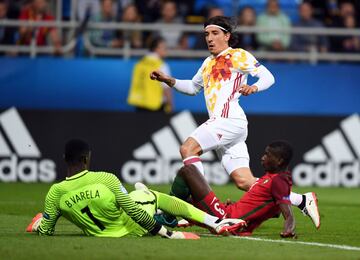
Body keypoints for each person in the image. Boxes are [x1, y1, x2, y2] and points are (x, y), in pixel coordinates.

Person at [150, 15, 320, 229]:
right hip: (228, 126)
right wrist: (169, 80)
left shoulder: (238, 56)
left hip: (229, 120)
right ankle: (302, 200)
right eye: (206, 34)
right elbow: (193, 88)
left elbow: (268, 77)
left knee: (188, 149)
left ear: (227, 35)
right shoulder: (207, 63)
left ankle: (199, 210)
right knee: (244, 181)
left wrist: (254, 87)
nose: (209, 38)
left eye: (214, 33)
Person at [26, 139, 246, 238]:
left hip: (102, 235)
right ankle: (215, 222)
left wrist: (38, 224)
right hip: (135, 229)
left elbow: (47, 231)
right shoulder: (105, 179)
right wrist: (169, 235)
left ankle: (169, 217)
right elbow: (133, 212)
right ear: (86, 158)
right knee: (146, 195)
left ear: (64, 158)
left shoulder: (55, 192)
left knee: (140, 197)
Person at [177, 140, 320, 236]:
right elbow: (273, 212)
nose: (262, 158)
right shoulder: (272, 179)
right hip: (228, 217)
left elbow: (287, 214)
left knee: (188, 171)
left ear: (279, 160)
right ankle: (172, 215)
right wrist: (237, 206)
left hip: (227, 219)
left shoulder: (278, 181)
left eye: (267, 155)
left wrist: (289, 229)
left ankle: (168, 215)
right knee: (184, 203)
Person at [127, 37, 173, 113]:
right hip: (156, 105)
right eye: (164, 48)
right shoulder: (161, 65)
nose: (166, 51)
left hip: (139, 104)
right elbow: (166, 88)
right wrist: (170, 104)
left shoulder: (139, 64)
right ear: (157, 48)